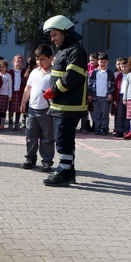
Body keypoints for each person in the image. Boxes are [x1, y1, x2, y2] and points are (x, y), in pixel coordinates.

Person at [40, 15, 88, 186]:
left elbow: (72, 77)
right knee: (65, 138)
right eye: (51, 35)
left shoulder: (76, 50)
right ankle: (70, 171)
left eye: (55, 35)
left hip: (70, 105)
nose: (52, 39)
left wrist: (52, 91)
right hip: (62, 104)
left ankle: (64, 172)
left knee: (62, 139)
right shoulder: (65, 50)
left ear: (65, 33)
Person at [20, 44, 55, 171]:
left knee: (47, 137)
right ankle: (30, 159)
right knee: (30, 136)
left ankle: (47, 161)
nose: (39, 62)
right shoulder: (34, 72)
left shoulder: (55, 72)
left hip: (47, 109)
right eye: (38, 59)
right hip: (32, 109)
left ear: (51, 58)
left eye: (42, 59)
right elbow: (28, 88)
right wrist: (24, 103)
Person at [87, 52, 114, 135]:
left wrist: (110, 93)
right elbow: (90, 84)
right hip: (96, 97)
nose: (102, 64)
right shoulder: (94, 73)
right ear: (98, 62)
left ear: (108, 62)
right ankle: (97, 128)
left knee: (105, 114)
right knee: (96, 114)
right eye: (101, 62)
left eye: (104, 62)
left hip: (105, 97)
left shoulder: (109, 73)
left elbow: (112, 84)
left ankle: (105, 128)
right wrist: (90, 94)